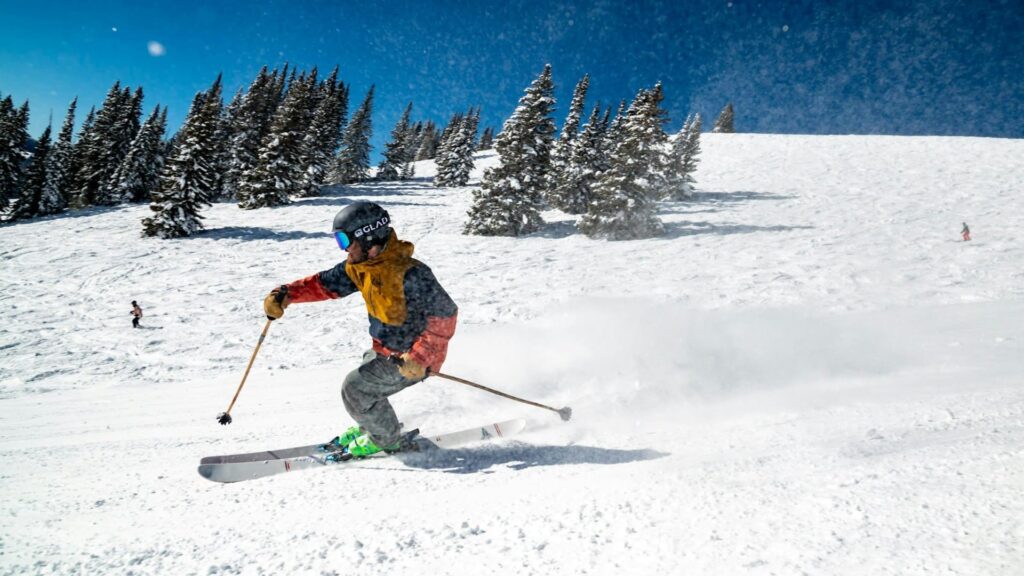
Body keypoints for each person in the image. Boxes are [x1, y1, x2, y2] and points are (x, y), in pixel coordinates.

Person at [263, 202, 457, 459]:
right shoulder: (361, 267)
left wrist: (420, 357)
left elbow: (445, 315)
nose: (344, 249)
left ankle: (388, 439)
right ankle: (375, 424)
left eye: (344, 240)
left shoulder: (411, 274)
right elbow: (324, 284)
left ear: (368, 238)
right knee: (364, 388)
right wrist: (286, 294)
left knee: (355, 389)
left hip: (413, 358)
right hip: (384, 350)